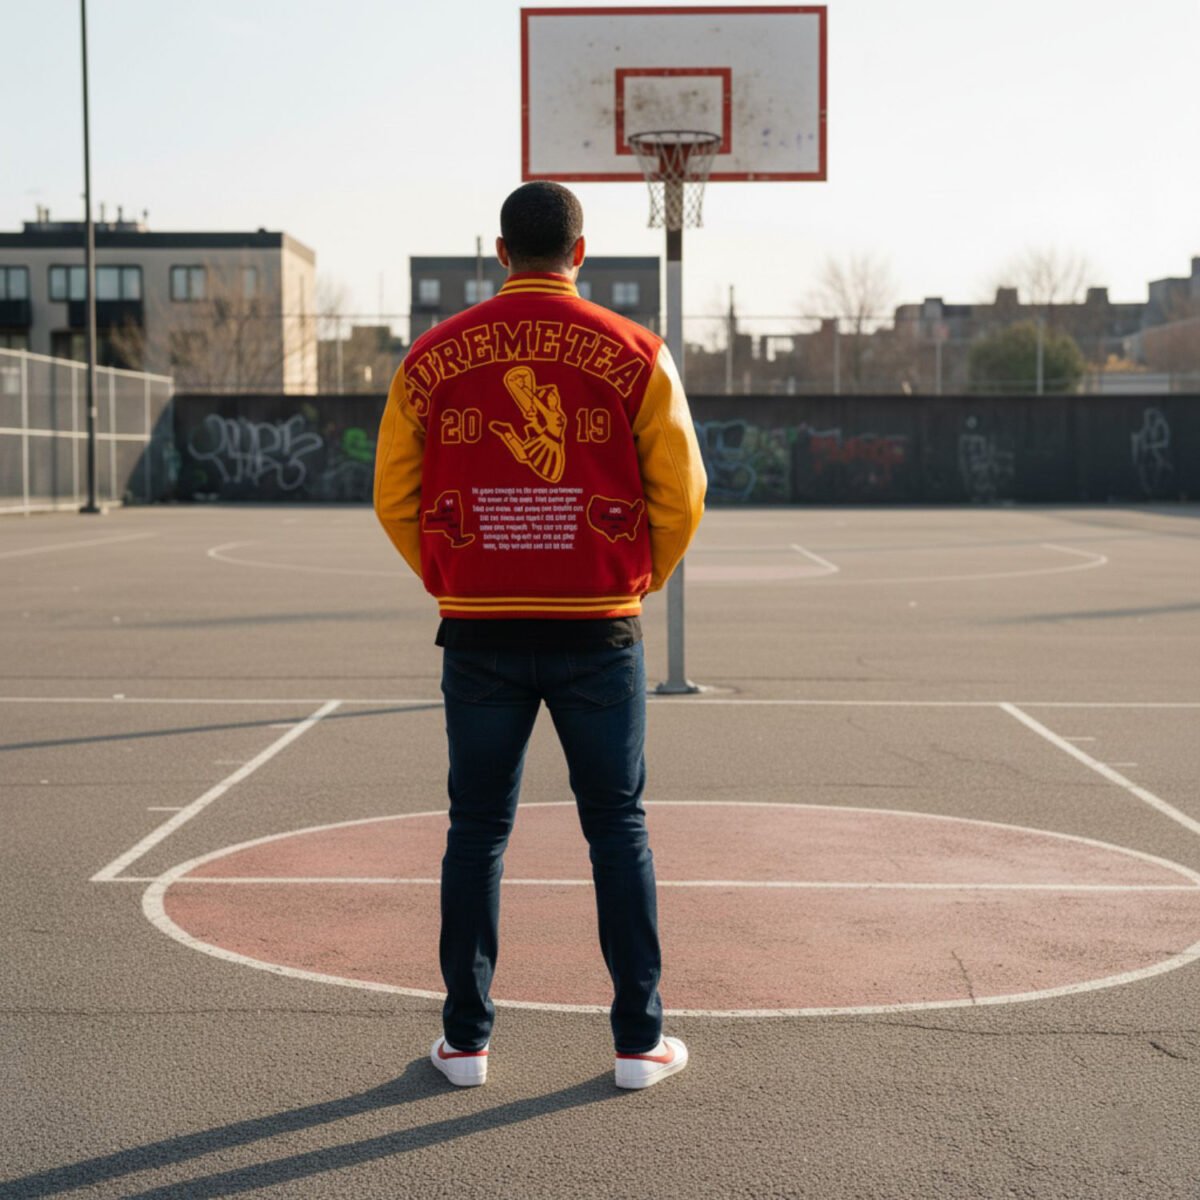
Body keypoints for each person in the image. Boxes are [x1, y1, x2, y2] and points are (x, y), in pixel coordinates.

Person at [373, 181, 705, 1090]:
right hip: (598, 626)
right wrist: (634, 581)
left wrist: (453, 578)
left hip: (477, 630)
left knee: (476, 830)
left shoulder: (432, 356)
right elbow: (682, 495)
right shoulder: (637, 351)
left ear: (499, 251)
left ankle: (465, 1043)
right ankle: (639, 1043)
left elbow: (393, 496)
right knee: (617, 827)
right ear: (582, 253)